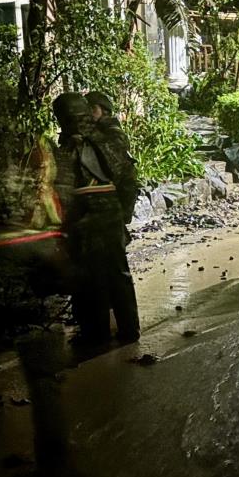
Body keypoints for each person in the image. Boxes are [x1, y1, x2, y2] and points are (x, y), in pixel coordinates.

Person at [55, 92, 140, 344]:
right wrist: (122, 213)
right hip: (104, 213)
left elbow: (124, 175)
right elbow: (127, 177)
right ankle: (122, 331)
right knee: (113, 273)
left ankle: (99, 334)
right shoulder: (104, 137)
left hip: (94, 213)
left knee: (94, 276)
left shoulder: (94, 139)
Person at [84, 91, 139, 225]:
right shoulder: (98, 128)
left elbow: (115, 157)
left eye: (93, 108)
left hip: (119, 193)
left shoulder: (112, 130)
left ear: (104, 110)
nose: (90, 113)